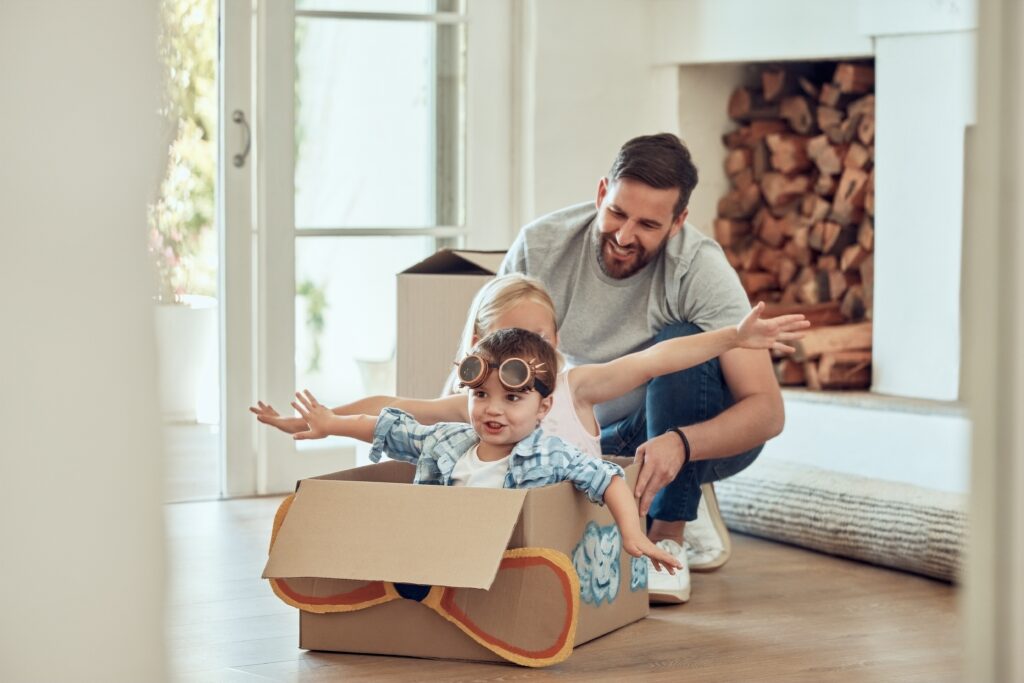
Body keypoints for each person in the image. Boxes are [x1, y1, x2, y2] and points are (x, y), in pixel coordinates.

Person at [498, 132, 785, 604]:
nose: (625, 236)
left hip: (697, 427)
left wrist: (682, 442)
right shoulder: (542, 245)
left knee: (682, 340)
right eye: (616, 212)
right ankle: (674, 494)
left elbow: (767, 412)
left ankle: (670, 533)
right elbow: (488, 357)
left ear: (678, 222)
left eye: (648, 224)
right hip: (604, 435)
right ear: (600, 193)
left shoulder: (698, 269)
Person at [251, 273, 806, 464]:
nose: (526, 353)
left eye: (540, 338)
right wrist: (321, 419)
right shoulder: (476, 407)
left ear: (557, 343)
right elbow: (392, 408)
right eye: (509, 340)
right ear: (480, 344)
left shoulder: (576, 387)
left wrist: (734, 336)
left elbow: (655, 359)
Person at [287, 328, 684, 573]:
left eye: (512, 398)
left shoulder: (550, 455)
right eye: (481, 394)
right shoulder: (447, 441)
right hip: (439, 554)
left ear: (543, 407)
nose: (493, 408)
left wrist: (632, 534)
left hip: (507, 565)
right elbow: (390, 427)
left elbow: (608, 477)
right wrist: (331, 424)